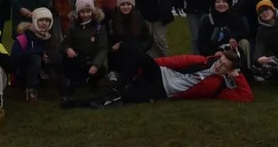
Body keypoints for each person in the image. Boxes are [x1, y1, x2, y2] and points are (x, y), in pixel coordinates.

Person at [65, 45, 253, 108]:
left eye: (224, 67)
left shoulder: (219, 87)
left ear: (229, 71)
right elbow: (175, 61)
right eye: (220, 61)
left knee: (127, 98)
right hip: (161, 73)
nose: (219, 66)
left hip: (163, 90)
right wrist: (148, 67)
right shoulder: (204, 60)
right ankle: (116, 89)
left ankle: (76, 103)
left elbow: (246, 97)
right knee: (140, 56)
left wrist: (238, 76)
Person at [60, 0, 108, 99]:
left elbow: (103, 48)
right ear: (78, 13)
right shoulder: (73, 28)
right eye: (82, 12)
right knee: (67, 61)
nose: (86, 14)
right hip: (78, 59)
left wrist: (96, 64)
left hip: (93, 61)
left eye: (88, 11)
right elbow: (64, 44)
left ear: (93, 12)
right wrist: (68, 49)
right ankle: (72, 84)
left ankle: (92, 82)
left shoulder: (99, 28)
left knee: (100, 71)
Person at [12, 7, 62, 102]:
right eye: (41, 20)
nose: (44, 23)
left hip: (45, 68)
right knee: (35, 59)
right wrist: (40, 52)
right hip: (25, 71)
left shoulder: (51, 38)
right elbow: (16, 57)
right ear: (35, 21)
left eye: (47, 21)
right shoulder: (24, 37)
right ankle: (30, 89)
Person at [106, 0, 154, 83]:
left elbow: (148, 38)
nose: (126, 7)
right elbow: (107, 37)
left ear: (132, 5)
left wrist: (141, 48)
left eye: (128, 4)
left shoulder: (138, 17)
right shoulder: (112, 19)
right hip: (118, 53)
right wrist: (111, 47)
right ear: (119, 6)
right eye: (123, 4)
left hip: (136, 52)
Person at [196, 0, 251, 70]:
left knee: (244, 43)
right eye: (218, 2)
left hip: (232, 52)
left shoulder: (235, 17)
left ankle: (247, 70)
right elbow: (201, 43)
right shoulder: (207, 20)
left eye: (224, 1)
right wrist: (214, 53)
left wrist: (233, 37)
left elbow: (245, 32)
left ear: (229, 4)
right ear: (213, 4)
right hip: (214, 52)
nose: (221, 4)